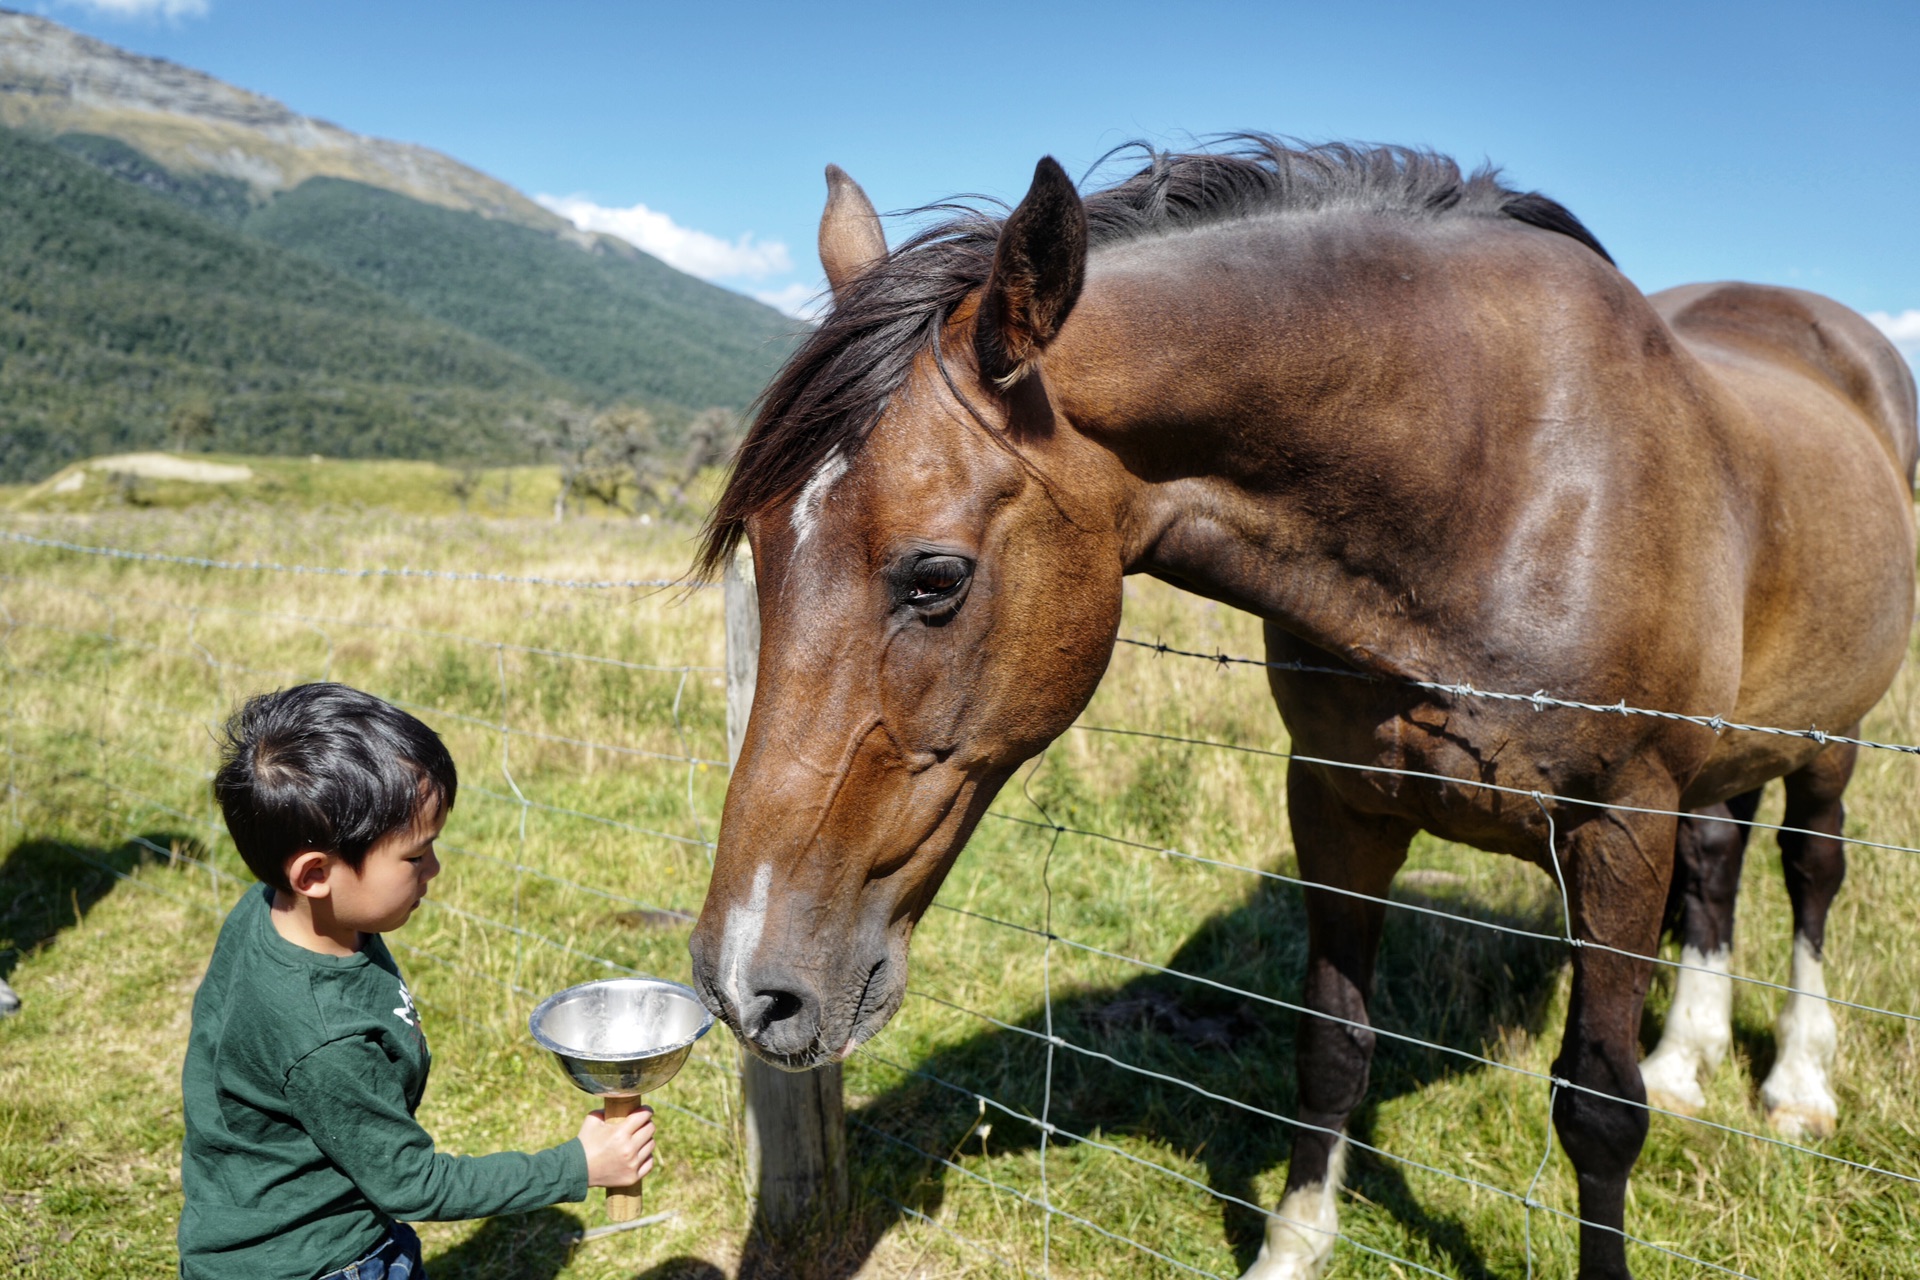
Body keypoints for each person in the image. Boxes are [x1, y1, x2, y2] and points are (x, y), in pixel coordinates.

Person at [178, 683, 654, 1280]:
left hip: (273, 1227)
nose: (435, 868)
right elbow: (412, 1183)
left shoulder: (270, 911)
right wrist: (578, 1166)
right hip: (321, 1263)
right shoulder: (325, 1041)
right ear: (316, 874)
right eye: (415, 856)